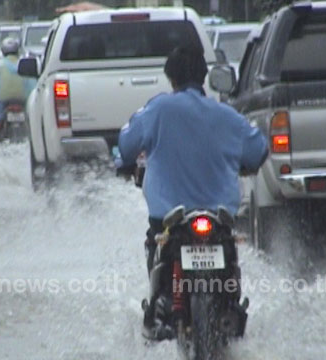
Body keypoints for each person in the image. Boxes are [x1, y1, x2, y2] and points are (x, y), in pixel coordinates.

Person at [118, 46, 268, 336]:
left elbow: (126, 146)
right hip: (219, 219)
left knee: (156, 248)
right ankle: (229, 306)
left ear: (171, 78)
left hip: (169, 221)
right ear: (204, 77)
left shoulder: (158, 109)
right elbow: (258, 150)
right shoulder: (228, 116)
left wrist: (124, 164)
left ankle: (160, 307)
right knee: (229, 257)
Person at [0, 37, 35, 140]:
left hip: (3, 98)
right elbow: (33, 82)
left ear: (3, 51)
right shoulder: (24, 64)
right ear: (17, 51)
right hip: (23, 98)